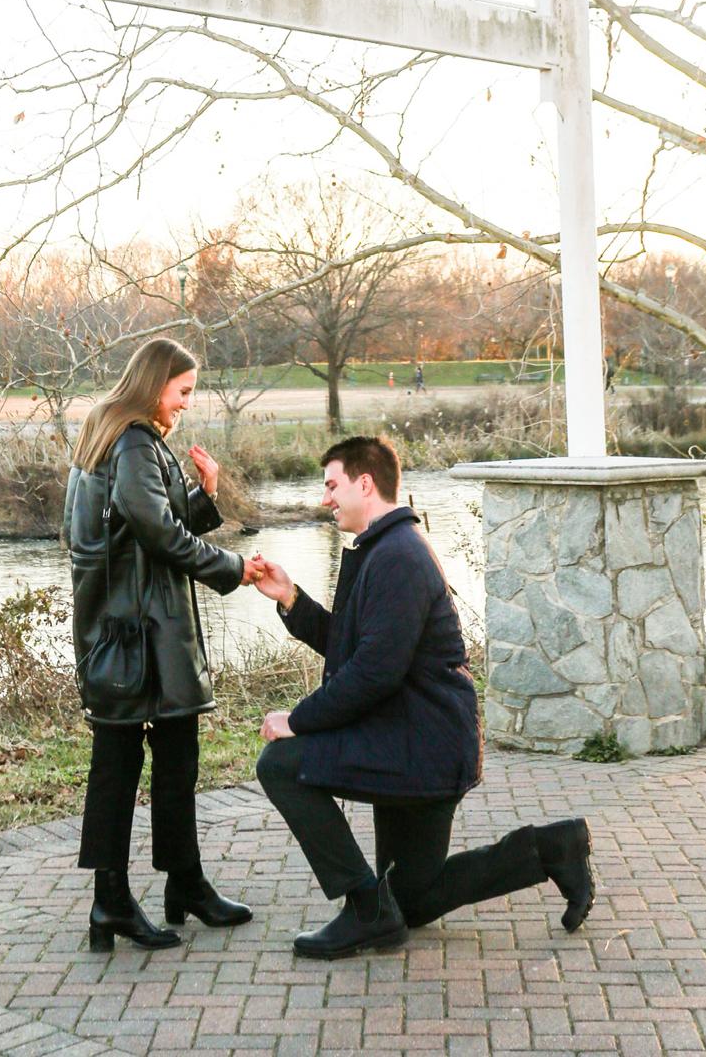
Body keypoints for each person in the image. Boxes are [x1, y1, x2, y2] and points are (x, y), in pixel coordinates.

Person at [251, 435, 596, 959]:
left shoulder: (398, 557)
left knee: (281, 762)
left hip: (420, 746)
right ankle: (552, 849)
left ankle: (365, 909)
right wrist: (291, 599)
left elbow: (372, 674)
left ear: (364, 484)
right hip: (413, 740)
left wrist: (297, 721)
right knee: (411, 901)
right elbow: (357, 647)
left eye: (332, 485)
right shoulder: (386, 549)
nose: (326, 499)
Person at [64, 337, 263, 953]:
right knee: (128, 768)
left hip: (129, 632)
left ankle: (182, 886)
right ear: (155, 385)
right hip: (142, 636)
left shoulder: (120, 438)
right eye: (183, 392)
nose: (185, 404)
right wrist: (232, 568)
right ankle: (115, 901)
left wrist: (204, 490)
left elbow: (149, 527)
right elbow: (156, 534)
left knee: (159, 762)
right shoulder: (131, 443)